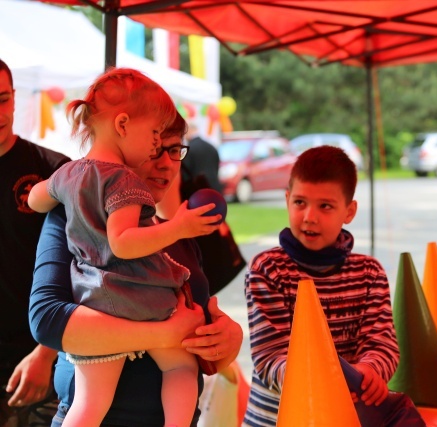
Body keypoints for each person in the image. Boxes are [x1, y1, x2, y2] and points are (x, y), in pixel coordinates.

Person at [27, 68, 220, 427]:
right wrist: (177, 226)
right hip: (140, 298)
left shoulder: (68, 175)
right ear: (122, 125)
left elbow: (36, 197)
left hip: (93, 294)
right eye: (154, 140)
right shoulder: (125, 183)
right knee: (179, 365)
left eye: (173, 148)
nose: (159, 155)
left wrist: (223, 334)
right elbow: (122, 242)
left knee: (89, 404)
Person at [242, 146, 400, 426]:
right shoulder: (268, 270)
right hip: (276, 419)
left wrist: (369, 370)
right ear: (287, 199)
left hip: (344, 417)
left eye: (325, 206)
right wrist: (321, 380)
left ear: (349, 211)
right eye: (300, 202)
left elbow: (381, 342)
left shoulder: (369, 273)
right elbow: (269, 356)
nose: (309, 216)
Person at [0, 58, 70, 426]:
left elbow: (84, 272)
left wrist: (47, 352)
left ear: (14, 98)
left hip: (37, 366)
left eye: (2, 99)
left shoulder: (54, 172)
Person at [182, 120, 223, 194]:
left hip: (197, 191)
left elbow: (185, 173)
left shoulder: (189, 149)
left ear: (189, 130)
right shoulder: (211, 147)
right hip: (214, 188)